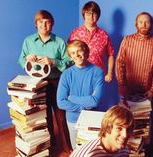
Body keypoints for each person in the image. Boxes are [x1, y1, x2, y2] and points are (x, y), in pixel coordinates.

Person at [18, 10, 72, 152]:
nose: (44, 25)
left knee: (61, 115)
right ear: (36, 24)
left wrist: (53, 61)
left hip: (56, 82)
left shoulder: (59, 41)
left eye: (47, 22)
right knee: (43, 116)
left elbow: (69, 61)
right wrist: (27, 60)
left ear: (52, 24)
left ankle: (67, 147)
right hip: (37, 84)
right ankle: (50, 147)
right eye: (40, 22)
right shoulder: (28, 41)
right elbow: (20, 60)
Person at [57, 39, 105, 149]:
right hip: (73, 119)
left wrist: (71, 97)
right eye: (73, 53)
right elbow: (61, 103)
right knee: (77, 150)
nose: (77, 55)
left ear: (86, 52)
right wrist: (83, 107)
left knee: (93, 151)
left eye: (79, 51)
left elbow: (95, 101)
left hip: (92, 118)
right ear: (70, 56)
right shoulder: (66, 74)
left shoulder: (97, 72)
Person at [115, 12, 153, 103]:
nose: (144, 25)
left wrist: (152, 89)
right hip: (127, 89)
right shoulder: (127, 40)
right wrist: (121, 85)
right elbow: (119, 62)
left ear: (151, 24)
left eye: (147, 22)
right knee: (125, 116)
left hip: (147, 92)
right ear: (136, 24)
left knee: (144, 116)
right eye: (141, 22)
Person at [68, 1, 115, 83]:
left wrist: (110, 73)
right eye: (88, 14)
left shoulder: (104, 35)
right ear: (84, 15)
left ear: (98, 16)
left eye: (94, 14)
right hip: (78, 76)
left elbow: (111, 54)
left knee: (97, 96)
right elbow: (68, 53)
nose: (91, 17)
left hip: (97, 76)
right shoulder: (75, 33)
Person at [69, 105, 134, 157]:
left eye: (128, 129)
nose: (125, 135)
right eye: (119, 128)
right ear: (107, 127)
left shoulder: (124, 148)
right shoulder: (90, 154)